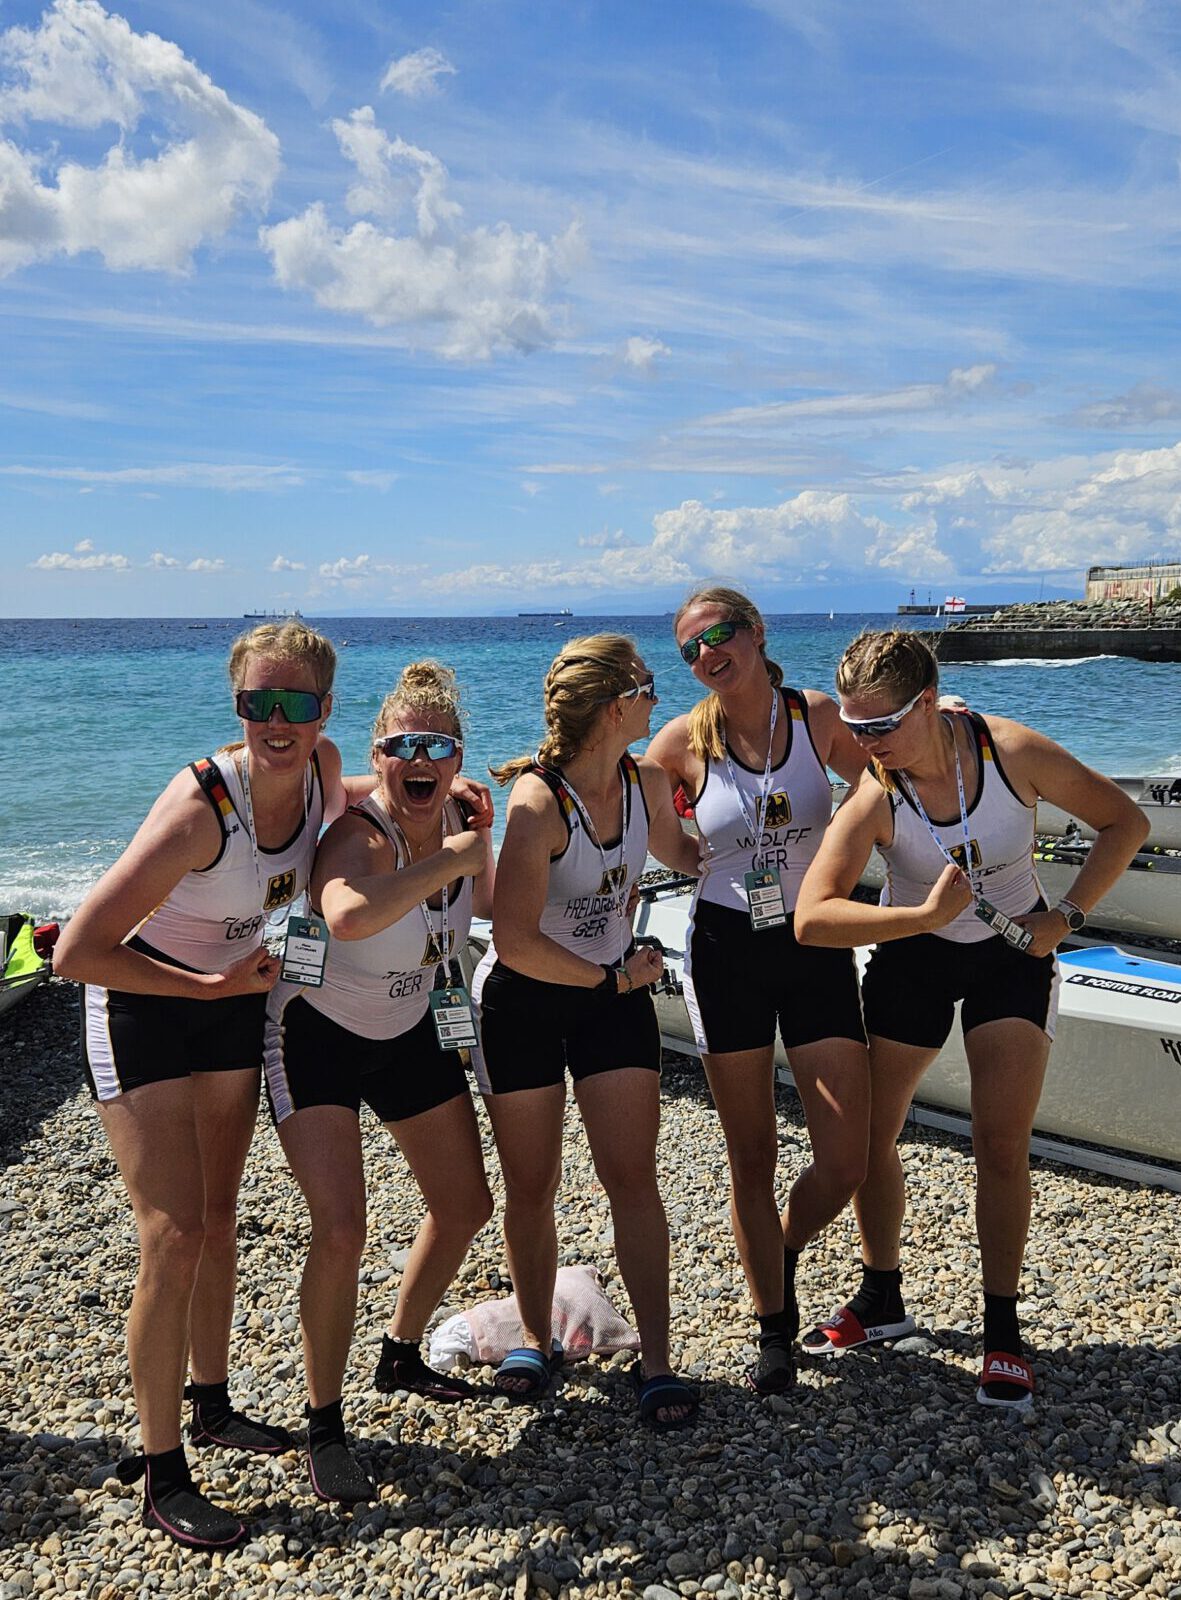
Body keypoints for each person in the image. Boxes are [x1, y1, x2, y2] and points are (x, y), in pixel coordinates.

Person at [54, 623, 491, 1547]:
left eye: (295, 704)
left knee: (220, 1220)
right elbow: (80, 953)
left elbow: (365, 789)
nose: (277, 722)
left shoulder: (329, 769)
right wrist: (206, 985)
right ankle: (164, 1468)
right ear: (236, 705)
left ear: (324, 712)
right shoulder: (201, 809)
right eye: (259, 704)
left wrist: (446, 786)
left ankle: (211, 1402)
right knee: (171, 1235)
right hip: (142, 996)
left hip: (229, 1001)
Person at [793, 629, 1148, 1409]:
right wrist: (920, 915)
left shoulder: (1009, 751)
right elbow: (811, 918)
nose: (864, 743)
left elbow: (1125, 823)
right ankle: (881, 1295)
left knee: (998, 1141)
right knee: (872, 1138)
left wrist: (1068, 916)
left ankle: (1000, 1332)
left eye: (880, 724)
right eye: (852, 728)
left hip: (1010, 957)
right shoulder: (877, 791)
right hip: (913, 958)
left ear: (928, 703)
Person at [263, 662, 495, 1503]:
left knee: (467, 1207)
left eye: (436, 746)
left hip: (410, 1026)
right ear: (378, 755)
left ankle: (398, 1354)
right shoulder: (357, 833)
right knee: (341, 1229)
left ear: (456, 755)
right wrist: (452, 858)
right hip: (315, 1034)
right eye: (401, 747)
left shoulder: (463, 822)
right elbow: (348, 914)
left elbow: (493, 906)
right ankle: (325, 1425)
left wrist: (485, 841)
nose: (418, 760)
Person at [473, 636, 702, 1427]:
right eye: (647, 687)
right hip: (527, 1004)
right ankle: (534, 1338)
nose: (657, 699)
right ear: (615, 707)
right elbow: (514, 940)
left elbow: (690, 852)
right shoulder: (538, 802)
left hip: (613, 995)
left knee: (632, 1180)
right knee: (532, 1186)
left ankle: (659, 1359)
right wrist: (611, 977)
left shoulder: (643, 780)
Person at [647, 586, 871, 1395]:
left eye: (721, 633)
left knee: (844, 1156)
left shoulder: (813, 717)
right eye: (690, 648)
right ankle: (772, 1325)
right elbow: (669, 845)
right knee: (751, 1152)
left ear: (757, 631)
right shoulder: (679, 741)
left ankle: (776, 1252)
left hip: (813, 940)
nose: (707, 652)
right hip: (722, 950)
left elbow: (885, 779)